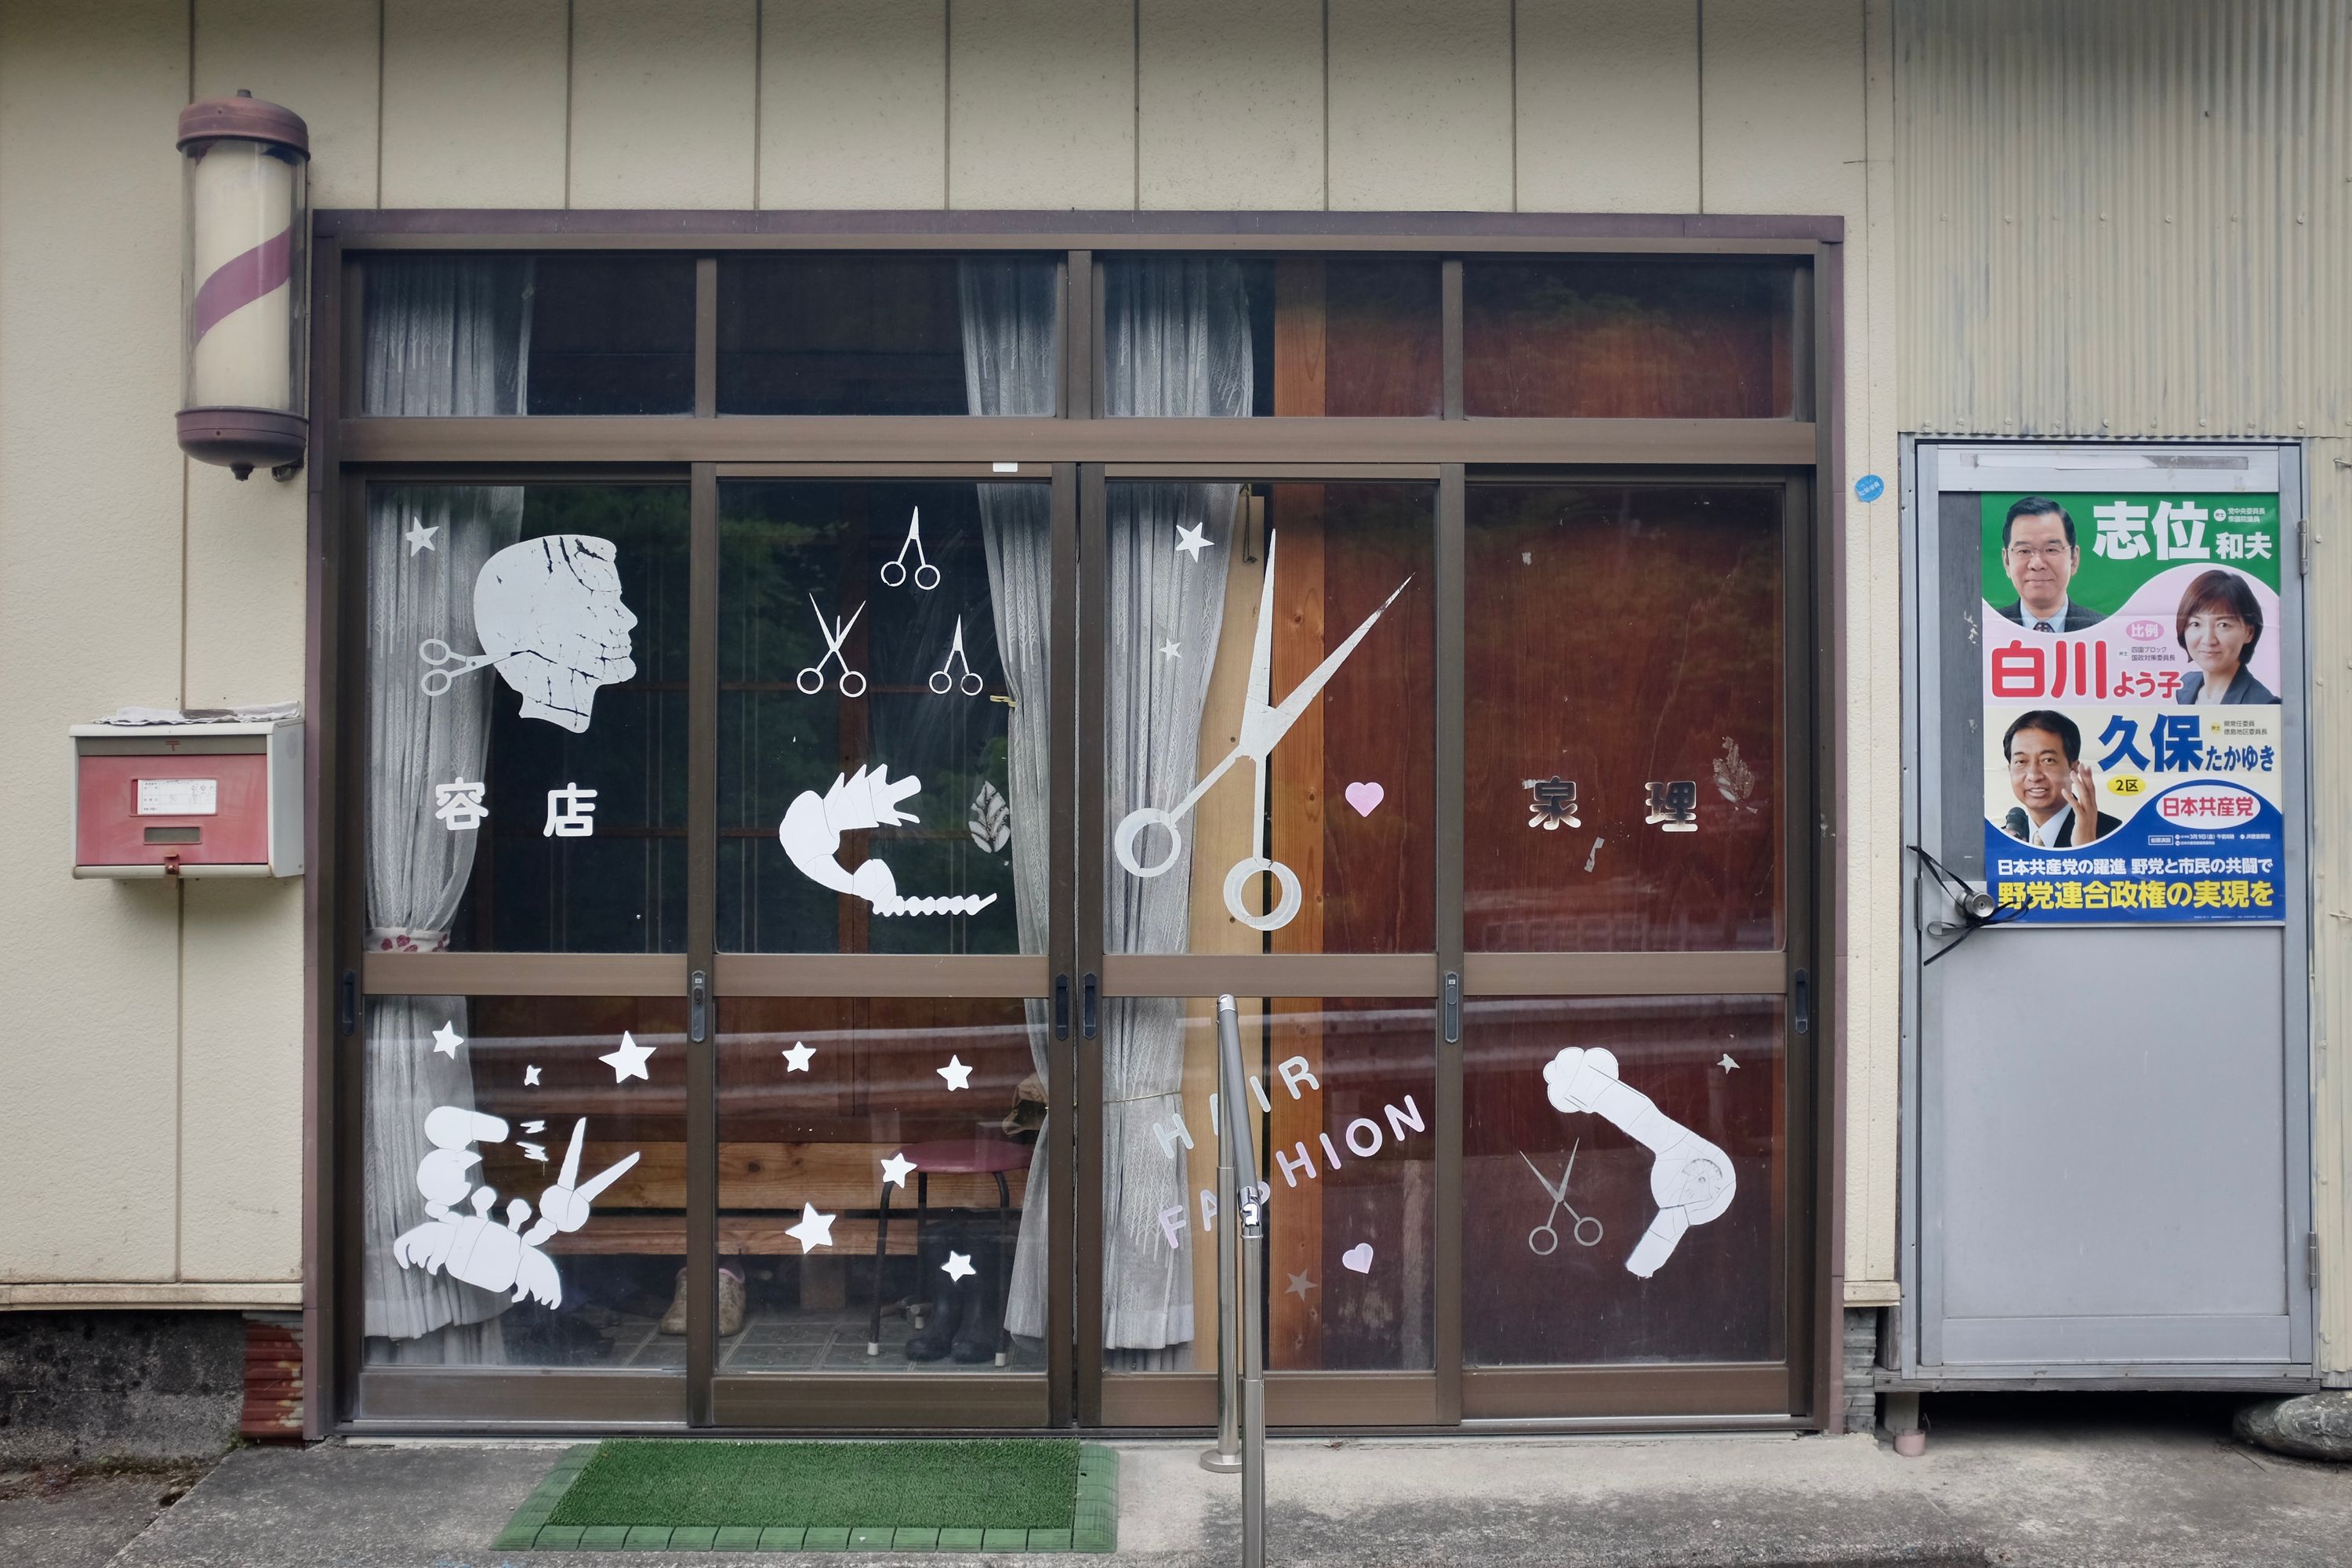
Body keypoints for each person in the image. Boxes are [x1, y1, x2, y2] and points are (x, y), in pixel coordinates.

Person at [1998, 709, 2119, 848]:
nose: (2034, 775)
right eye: (2021, 762)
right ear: (2010, 771)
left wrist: (2087, 850)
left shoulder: (2115, 834)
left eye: (2048, 760)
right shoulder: (2002, 843)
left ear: (2073, 769)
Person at [1992, 496, 2105, 631]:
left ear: (2074, 558)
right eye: (2024, 551)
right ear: (2006, 561)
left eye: (2051, 550)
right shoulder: (1987, 628)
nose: (2037, 564)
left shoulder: (2103, 629)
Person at [2173, 568, 2277, 705]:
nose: (2208, 640)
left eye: (2223, 625)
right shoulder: (2185, 686)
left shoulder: (2262, 704)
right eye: (2196, 624)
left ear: (2249, 633)